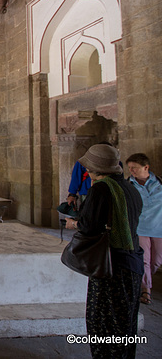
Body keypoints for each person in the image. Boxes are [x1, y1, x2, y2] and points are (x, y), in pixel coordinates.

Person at [64, 144, 143, 358]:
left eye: (89, 169)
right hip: (132, 263)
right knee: (125, 326)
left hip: (111, 267)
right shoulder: (130, 188)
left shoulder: (101, 188)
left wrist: (74, 225)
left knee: (104, 325)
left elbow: (90, 226)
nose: (87, 173)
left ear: (95, 169)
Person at [125, 153, 162, 306]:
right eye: (130, 168)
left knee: (156, 261)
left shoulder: (159, 183)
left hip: (158, 227)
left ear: (146, 167)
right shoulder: (129, 185)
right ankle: (146, 289)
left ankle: (144, 279)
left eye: (134, 168)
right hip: (140, 228)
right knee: (144, 260)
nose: (132, 171)